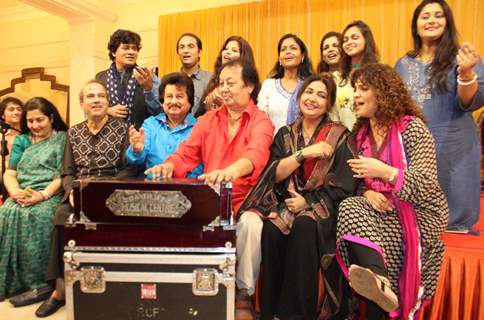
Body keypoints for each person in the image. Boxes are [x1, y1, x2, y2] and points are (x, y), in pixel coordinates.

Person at [146, 59, 274, 318]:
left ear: (249, 86)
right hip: (211, 199)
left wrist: (230, 172)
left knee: (251, 225)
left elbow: (256, 154)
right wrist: (169, 166)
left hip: (245, 200)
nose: (223, 89)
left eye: (231, 83)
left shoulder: (261, 121)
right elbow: (186, 155)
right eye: (221, 83)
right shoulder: (207, 120)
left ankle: (243, 294)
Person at [240, 73, 357, 319]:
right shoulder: (285, 134)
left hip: (324, 207)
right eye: (309, 92)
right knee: (272, 230)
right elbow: (275, 174)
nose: (313, 99)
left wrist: (309, 202)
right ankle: (270, 312)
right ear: (300, 97)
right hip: (288, 204)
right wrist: (304, 153)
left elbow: (345, 186)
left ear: (329, 104)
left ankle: (295, 314)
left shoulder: (340, 136)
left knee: (304, 225)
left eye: (321, 95)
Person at [336, 63, 448, 320]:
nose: (356, 95)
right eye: (355, 89)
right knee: (350, 207)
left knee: (373, 248)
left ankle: (379, 283)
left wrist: (384, 171)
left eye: (363, 89)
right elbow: (354, 182)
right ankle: (379, 282)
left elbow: (426, 183)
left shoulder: (413, 129)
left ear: (383, 92)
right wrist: (367, 193)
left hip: (417, 215)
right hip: (379, 212)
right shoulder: (359, 135)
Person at [35, 80, 132, 318]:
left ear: (107, 101)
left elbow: (130, 169)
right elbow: (67, 172)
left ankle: (115, 288)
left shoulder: (123, 129)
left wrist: (107, 192)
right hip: (79, 194)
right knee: (60, 217)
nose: (97, 100)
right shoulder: (74, 132)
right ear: (82, 104)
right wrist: (72, 193)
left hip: (112, 193)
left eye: (101, 95)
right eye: (91, 96)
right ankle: (58, 291)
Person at [395, 0, 484, 229]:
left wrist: (465, 72)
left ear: (447, 22)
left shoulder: (461, 57)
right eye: (425, 16)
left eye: (438, 15)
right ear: (416, 25)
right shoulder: (403, 63)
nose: (432, 20)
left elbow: (470, 102)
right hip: (413, 147)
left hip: (454, 146)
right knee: (415, 220)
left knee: (453, 219)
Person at [0, 97, 67, 303]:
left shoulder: (63, 138)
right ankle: (13, 282)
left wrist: (42, 195)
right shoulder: (22, 140)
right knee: (5, 213)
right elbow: (10, 173)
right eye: (30, 121)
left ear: (51, 118)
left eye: (40, 120)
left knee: (39, 215)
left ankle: (41, 284)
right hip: (22, 191)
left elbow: (62, 175)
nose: (35, 126)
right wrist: (14, 191)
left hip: (50, 192)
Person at [126, 72, 203, 177]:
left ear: (190, 102)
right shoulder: (150, 124)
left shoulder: (200, 128)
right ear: (162, 102)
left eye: (179, 96)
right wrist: (137, 150)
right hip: (155, 188)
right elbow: (135, 161)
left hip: (188, 188)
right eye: (169, 96)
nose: (174, 101)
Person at [95, 29, 161, 129]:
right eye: (126, 48)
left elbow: (161, 111)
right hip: (108, 138)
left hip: (141, 137)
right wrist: (106, 111)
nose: (131, 52)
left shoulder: (147, 75)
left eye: (134, 48)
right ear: (113, 52)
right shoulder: (100, 78)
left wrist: (149, 89)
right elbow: (89, 111)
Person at [258, 33, 313, 131]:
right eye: (283, 49)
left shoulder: (310, 85)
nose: (288, 52)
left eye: (293, 48)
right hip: (273, 143)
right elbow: (260, 119)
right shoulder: (268, 85)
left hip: (306, 145)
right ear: (279, 58)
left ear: (302, 56)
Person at [196, 35, 256, 117]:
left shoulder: (249, 85)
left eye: (234, 50)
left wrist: (223, 105)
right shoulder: (213, 81)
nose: (227, 52)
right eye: (226, 49)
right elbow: (198, 116)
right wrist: (208, 107)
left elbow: (249, 115)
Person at [339, 20, 380, 130]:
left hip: (371, 134)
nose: (349, 42)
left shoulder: (378, 73)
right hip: (343, 138)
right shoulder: (338, 78)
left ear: (366, 40)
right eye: (345, 40)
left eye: (354, 37)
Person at [317, 31, 355, 130]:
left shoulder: (354, 77)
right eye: (326, 48)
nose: (330, 50)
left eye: (335, 45)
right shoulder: (320, 81)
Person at [176, 33, 212, 116]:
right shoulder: (169, 80)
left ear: (199, 52)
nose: (186, 51)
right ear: (178, 53)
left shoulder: (211, 79)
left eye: (190, 46)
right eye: (182, 47)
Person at [0, 97, 23, 200]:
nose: (16, 112)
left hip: (23, 173)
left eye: (19, 109)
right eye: (11, 109)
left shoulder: (28, 134)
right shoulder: (1, 135)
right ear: (2, 115)